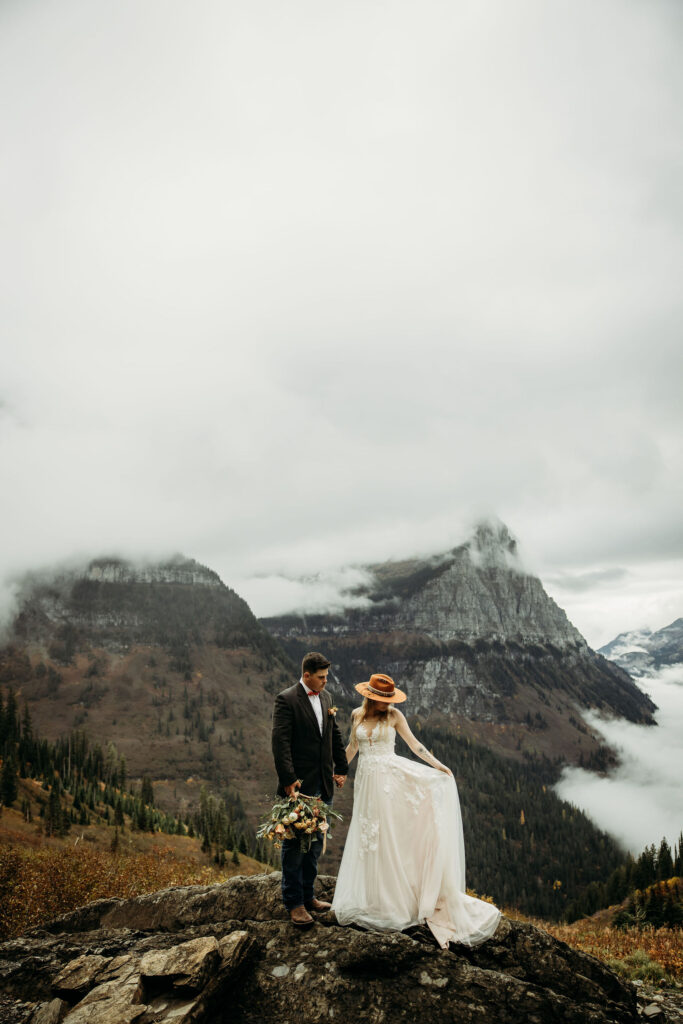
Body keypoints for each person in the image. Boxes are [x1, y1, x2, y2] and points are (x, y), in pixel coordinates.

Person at [331, 673, 501, 948]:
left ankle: (397, 899)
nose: (385, 704)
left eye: (388, 699)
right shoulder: (356, 715)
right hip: (366, 782)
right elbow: (352, 746)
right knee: (369, 836)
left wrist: (438, 765)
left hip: (390, 780)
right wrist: (339, 772)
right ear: (370, 696)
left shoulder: (395, 716)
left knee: (390, 836)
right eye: (381, 699)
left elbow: (414, 744)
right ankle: (373, 897)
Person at [271, 651, 349, 927]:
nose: (326, 682)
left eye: (326, 677)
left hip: (324, 783)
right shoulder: (287, 699)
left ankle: (308, 895)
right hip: (299, 788)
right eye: (321, 677)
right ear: (306, 675)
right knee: (294, 845)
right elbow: (280, 743)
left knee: (315, 844)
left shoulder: (326, 698)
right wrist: (288, 780)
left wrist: (341, 767)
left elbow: (333, 733)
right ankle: (294, 903)